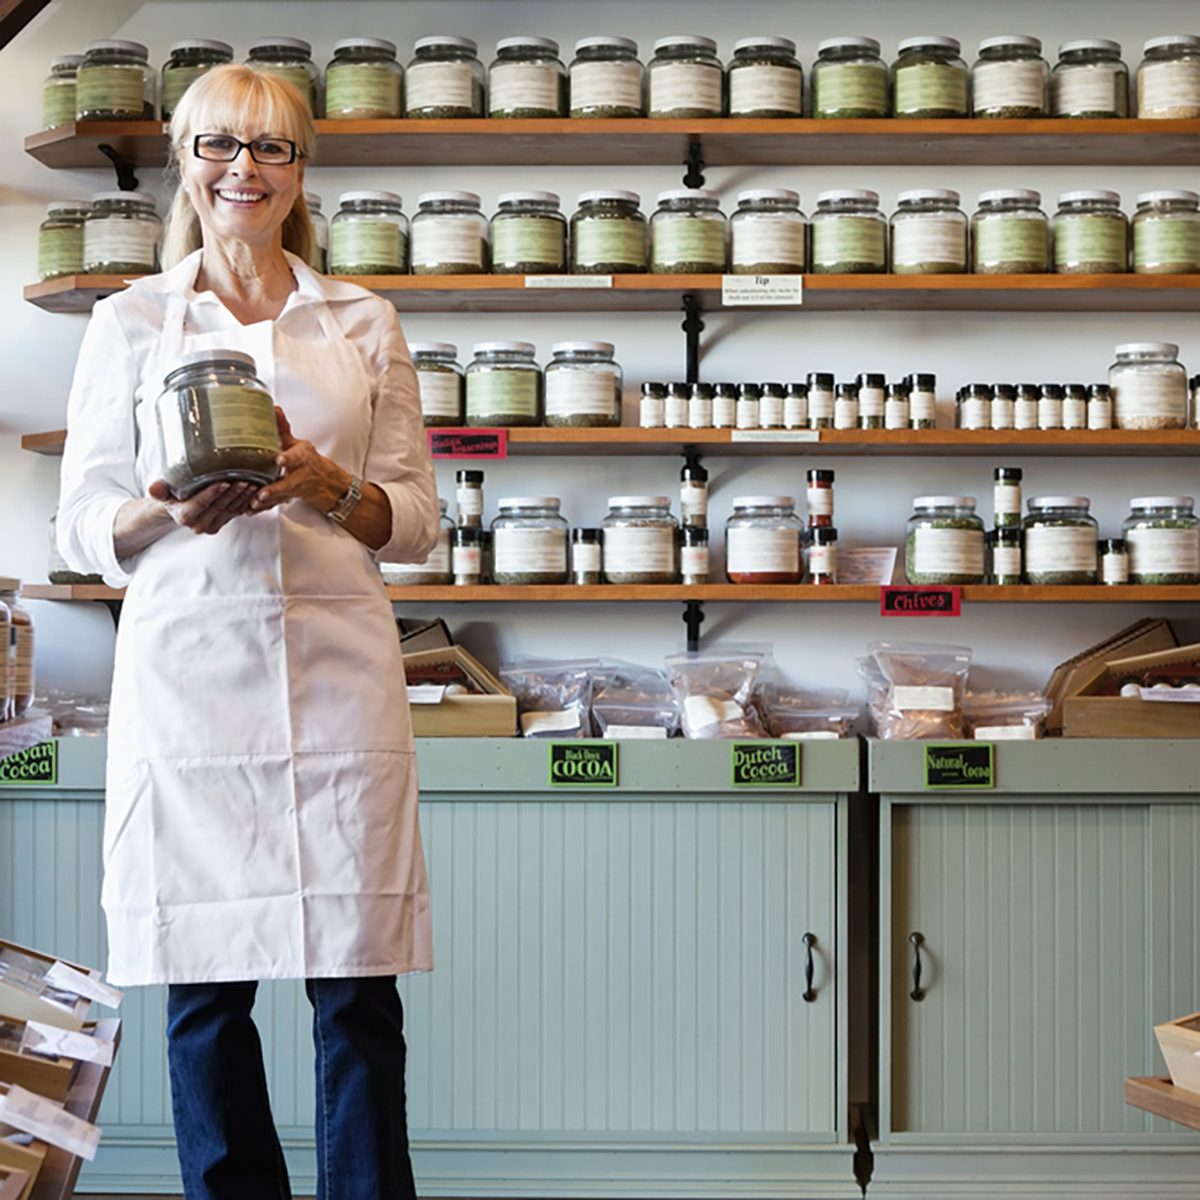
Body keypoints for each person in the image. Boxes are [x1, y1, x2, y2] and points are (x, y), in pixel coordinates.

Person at [56, 63, 439, 1200]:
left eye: (271, 149)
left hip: (340, 678)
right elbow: (81, 521)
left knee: (356, 991)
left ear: (300, 171)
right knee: (204, 988)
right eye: (221, 146)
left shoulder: (362, 321)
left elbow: (411, 520)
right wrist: (161, 512)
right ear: (185, 160)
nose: (245, 170)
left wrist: (328, 484)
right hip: (191, 680)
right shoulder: (131, 321)